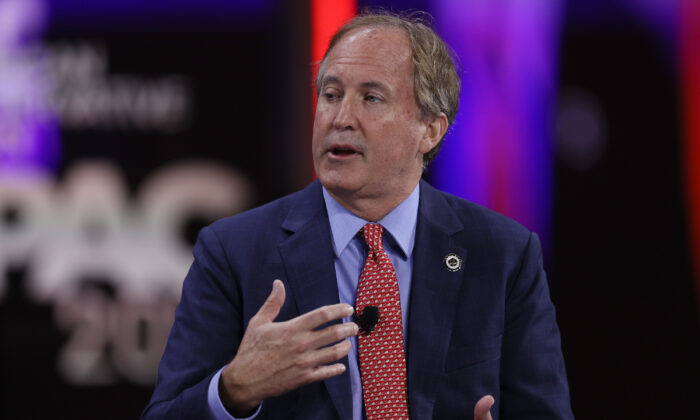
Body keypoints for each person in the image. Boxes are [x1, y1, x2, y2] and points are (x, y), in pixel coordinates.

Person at [142, 11, 573, 420]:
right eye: (330, 95)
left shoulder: (503, 254)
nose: (340, 118)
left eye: (371, 98)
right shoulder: (233, 252)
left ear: (430, 129)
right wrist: (235, 388)